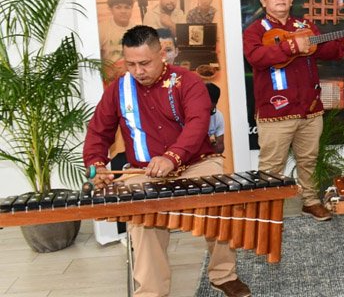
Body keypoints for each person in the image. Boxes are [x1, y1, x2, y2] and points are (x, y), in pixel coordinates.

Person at [83, 26, 251, 297]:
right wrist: (97, 163)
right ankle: (151, 291)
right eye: (131, 64)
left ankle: (223, 274)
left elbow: (197, 124)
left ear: (162, 54)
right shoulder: (118, 90)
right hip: (144, 169)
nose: (138, 71)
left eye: (145, 63)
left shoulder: (188, 81)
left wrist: (173, 157)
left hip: (196, 162)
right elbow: (98, 131)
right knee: (140, 217)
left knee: (222, 201)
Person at [242, 0, 344, 221]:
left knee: (308, 159)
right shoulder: (255, 30)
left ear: (291, 0)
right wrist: (291, 47)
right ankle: (267, 210)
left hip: (310, 109)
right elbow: (256, 58)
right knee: (271, 166)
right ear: (264, 0)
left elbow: (326, 51)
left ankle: (310, 201)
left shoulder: (304, 25)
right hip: (275, 111)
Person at [99, 0, 134, 66]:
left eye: (127, 7)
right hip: (110, 73)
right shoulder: (101, 29)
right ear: (110, 9)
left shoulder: (137, 29)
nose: (123, 11)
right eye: (118, 7)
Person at [206, 82, 225, 154]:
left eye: (211, 111)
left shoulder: (218, 116)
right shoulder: (188, 115)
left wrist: (214, 144)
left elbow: (221, 147)